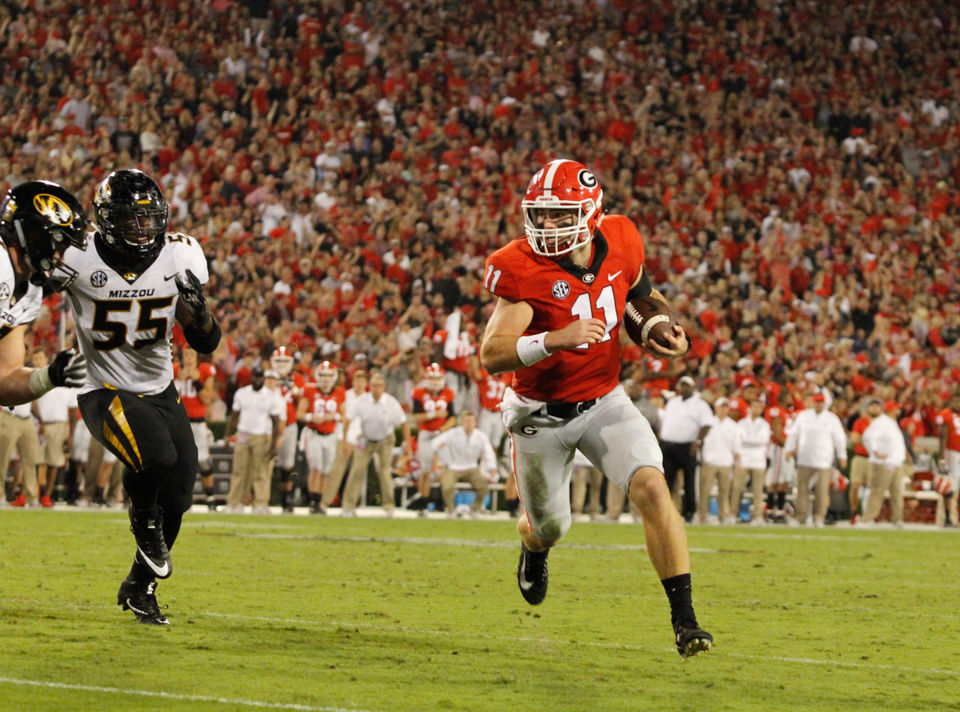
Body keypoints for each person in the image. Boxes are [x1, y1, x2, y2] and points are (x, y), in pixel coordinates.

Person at [479, 159, 712, 658]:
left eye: (560, 216)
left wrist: (657, 326)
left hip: (604, 399)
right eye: (540, 216)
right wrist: (553, 339)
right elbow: (492, 353)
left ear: (590, 214)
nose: (547, 226)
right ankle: (533, 548)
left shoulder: (622, 237)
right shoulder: (522, 266)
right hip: (538, 415)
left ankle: (685, 619)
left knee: (652, 485)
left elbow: (636, 293)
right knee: (550, 527)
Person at [62, 169, 221, 624]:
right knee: (156, 457)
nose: (142, 229)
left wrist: (201, 312)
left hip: (159, 389)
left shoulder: (180, 256)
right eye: (131, 220)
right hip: (103, 388)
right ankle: (140, 518)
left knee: (179, 494)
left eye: (149, 219)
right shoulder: (77, 256)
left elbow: (206, 342)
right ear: (107, 220)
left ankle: (139, 585)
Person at [0, 180, 87, 408]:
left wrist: (49, 376)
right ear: (35, 236)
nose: (61, 259)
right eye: (58, 246)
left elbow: (4, 380)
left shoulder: (28, 291)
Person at [341, 370, 412, 516]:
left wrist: (408, 444)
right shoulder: (361, 402)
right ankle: (348, 507)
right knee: (356, 470)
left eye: (379, 386)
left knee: (385, 472)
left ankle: (389, 507)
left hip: (385, 440)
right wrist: (346, 441)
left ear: (383, 387)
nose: (376, 388)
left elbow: (404, 423)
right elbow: (347, 419)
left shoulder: (391, 403)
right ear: (370, 387)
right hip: (366, 439)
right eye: (373, 385)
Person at [224, 365, 282, 514]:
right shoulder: (242, 393)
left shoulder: (270, 396)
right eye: (255, 376)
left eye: (260, 377)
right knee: (239, 470)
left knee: (261, 472)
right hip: (243, 433)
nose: (258, 379)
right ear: (251, 377)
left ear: (263, 378)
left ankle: (261, 503)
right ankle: (235, 502)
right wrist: (227, 436)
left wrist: (273, 445)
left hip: (261, 436)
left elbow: (276, 423)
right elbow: (234, 417)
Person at [784, 393, 848, 526]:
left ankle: (819, 517)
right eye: (816, 402)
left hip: (823, 460)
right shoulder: (803, 416)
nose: (818, 404)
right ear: (813, 402)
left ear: (824, 403)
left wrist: (842, 455)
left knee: (822, 490)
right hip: (805, 458)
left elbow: (840, 438)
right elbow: (793, 434)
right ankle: (800, 517)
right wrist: (789, 450)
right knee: (802, 489)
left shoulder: (831, 418)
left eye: (821, 402)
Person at [660, 376, 714, 522]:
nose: (684, 388)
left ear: (693, 387)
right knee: (667, 481)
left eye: (687, 386)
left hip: (687, 447)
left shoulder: (700, 404)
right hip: (668, 445)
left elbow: (707, 424)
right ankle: (665, 511)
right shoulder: (673, 402)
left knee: (689, 482)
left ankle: (689, 512)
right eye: (682, 385)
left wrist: (698, 441)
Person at [30, 348, 77, 507]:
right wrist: (40, 421)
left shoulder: (70, 383)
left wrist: (70, 435)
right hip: (39, 425)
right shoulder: (45, 378)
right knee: (37, 461)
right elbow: (33, 402)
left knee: (54, 462)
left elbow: (72, 411)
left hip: (58, 425)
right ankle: (35, 493)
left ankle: (47, 495)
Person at [429, 410, 497, 517]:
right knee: (446, 486)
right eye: (466, 421)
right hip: (453, 467)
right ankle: (451, 511)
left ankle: (474, 509)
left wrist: (492, 468)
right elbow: (435, 443)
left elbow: (488, 452)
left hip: (472, 467)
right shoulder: (453, 433)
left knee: (484, 487)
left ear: (475, 422)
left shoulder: (481, 436)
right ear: (462, 422)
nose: (469, 424)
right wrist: (439, 446)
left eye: (471, 421)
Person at [174, 348, 218, 509]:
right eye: (186, 354)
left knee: (204, 462)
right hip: (179, 423)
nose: (189, 358)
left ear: (197, 357)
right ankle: (179, 497)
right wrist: (178, 380)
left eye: (192, 354)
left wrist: (196, 381)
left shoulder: (205, 370)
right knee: (177, 462)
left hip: (198, 423)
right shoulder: (173, 370)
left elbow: (206, 399)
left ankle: (211, 499)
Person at [302, 360, 346, 514]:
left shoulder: (339, 392)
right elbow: (300, 414)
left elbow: (344, 415)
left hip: (331, 435)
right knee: (316, 469)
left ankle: (319, 501)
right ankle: (312, 501)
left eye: (328, 375)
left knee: (326, 471)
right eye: (322, 375)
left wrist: (332, 416)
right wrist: (311, 417)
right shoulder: (309, 391)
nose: (326, 379)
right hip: (314, 434)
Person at [411, 362, 456, 506]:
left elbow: (453, 417)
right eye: (433, 378)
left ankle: (446, 502)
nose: (435, 381)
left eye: (438, 378)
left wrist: (444, 428)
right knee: (425, 469)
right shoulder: (419, 393)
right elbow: (416, 417)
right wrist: (435, 414)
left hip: (441, 435)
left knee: (446, 468)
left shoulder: (448, 393)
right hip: (426, 434)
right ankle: (423, 500)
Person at [269, 346, 307, 512]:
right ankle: (261, 498)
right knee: (264, 462)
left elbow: (303, 403)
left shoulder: (297, 378)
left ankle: (287, 497)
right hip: (268, 427)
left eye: (285, 361)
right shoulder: (268, 377)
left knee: (288, 464)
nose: (282, 364)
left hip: (290, 425)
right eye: (279, 360)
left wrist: (296, 391)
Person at [861, 400, 907, 525]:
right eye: (896, 409)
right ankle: (869, 518)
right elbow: (867, 437)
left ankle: (897, 519)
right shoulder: (881, 422)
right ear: (891, 410)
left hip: (896, 463)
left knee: (897, 493)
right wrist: (875, 451)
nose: (899, 411)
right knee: (877, 491)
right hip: (884, 463)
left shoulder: (891, 423)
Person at [697, 398, 740, 524]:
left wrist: (738, 463)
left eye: (726, 407)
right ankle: (701, 514)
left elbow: (736, 446)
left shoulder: (733, 425)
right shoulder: (708, 423)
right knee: (704, 490)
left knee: (724, 492)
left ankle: (723, 515)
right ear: (716, 408)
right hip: (709, 461)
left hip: (725, 462)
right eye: (721, 407)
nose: (723, 410)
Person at [732, 398, 771, 525]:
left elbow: (762, 440)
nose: (756, 409)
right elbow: (738, 440)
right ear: (750, 408)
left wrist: (747, 441)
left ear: (761, 410)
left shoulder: (765, 425)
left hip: (759, 460)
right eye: (754, 406)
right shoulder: (742, 423)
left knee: (758, 490)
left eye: (759, 407)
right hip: (743, 460)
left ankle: (758, 516)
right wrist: (753, 442)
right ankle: (732, 514)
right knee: (737, 488)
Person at [847, 401, 875, 524]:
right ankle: (854, 512)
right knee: (854, 486)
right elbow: (854, 439)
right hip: (860, 457)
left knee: (873, 488)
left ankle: (871, 514)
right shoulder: (860, 422)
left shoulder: (880, 424)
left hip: (874, 459)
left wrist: (863, 440)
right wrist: (870, 442)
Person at [934, 394, 960, 527]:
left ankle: (953, 519)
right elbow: (942, 435)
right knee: (949, 487)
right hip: (952, 453)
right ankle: (947, 517)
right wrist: (941, 457)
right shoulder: (947, 414)